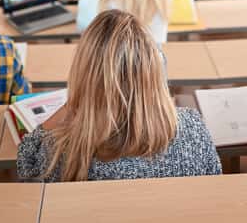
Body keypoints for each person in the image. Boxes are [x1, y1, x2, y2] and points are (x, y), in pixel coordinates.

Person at [17, 9, 221, 182]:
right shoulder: (194, 129)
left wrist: (73, 103)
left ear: (85, 76)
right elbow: (216, 189)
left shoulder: (62, 153)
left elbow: (26, 163)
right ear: (154, 71)